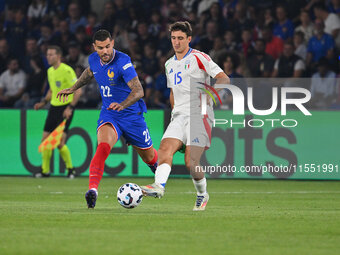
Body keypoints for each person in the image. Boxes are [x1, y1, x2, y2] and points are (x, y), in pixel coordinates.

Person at [56, 30, 158, 209]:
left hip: (131, 115)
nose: (105, 51)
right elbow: (89, 73)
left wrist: (123, 104)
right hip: (110, 114)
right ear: (94, 47)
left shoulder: (123, 61)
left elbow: (139, 91)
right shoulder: (94, 59)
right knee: (103, 147)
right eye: (101, 48)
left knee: (149, 157)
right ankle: (93, 190)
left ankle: (160, 176)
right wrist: (73, 88)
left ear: (113, 43)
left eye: (108, 46)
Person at [141, 21, 229, 211]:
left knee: (191, 162)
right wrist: (174, 114)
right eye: (173, 38)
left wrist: (210, 96)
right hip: (179, 115)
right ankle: (159, 186)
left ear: (189, 39)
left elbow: (224, 78)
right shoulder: (169, 64)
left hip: (199, 115)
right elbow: (173, 92)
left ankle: (202, 193)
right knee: (164, 148)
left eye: (181, 38)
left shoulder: (199, 58)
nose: (177, 42)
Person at [34, 45, 81, 178]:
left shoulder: (67, 70)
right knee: (45, 141)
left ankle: (71, 169)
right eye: (47, 55)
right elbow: (51, 90)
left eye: (51, 54)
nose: (48, 57)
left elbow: (78, 90)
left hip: (65, 108)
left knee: (59, 143)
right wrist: (43, 102)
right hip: (53, 108)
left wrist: (70, 108)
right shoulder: (50, 71)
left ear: (59, 56)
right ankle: (45, 171)